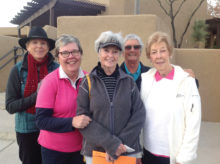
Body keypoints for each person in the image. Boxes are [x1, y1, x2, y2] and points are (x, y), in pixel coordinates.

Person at [76, 31, 146, 164]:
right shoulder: (87, 82)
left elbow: (139, 114)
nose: (110, 55)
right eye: (106, 50)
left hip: (125, 149)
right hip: (96, 152)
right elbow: (82, 119)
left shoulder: (129, 82)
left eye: (114, 51)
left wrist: (119, 145)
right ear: (98, 53)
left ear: (120, 55)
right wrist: (111, 144)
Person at [140, 31, 201, 164]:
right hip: (148, 153)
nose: (159, 56)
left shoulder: (186, 81)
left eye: (163, 50)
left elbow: (193, 122)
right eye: (154, 52)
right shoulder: (145, 80)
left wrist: (184, 157)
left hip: (173, 156)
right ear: (149, 56)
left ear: (170, 52)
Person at [5, 26, 59, 164]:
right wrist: (38, 96)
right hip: (27, 130)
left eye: (43, 43)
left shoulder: (57, 69)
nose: (39, 46)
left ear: (48, 47)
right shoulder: (17, 71)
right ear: (27, 46)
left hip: (51, 127)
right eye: (34, 42)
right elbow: (10, 106)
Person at [35, 34, 91, 164]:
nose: (71, 56)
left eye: (75, 52)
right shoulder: (50, 82)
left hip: (82, 149)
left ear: (81, 54)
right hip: (54, 152)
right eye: (65, 53)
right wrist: (71, 122)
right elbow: (41, 121)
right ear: (58, 57)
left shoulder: (90, 79)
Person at [120, 34, 199, 90]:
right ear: (122, 52)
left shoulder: (151, 74)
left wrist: (190, 79)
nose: (132, 50)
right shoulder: (116, 75)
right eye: (128, 47)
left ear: (140, 51)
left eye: (136, 47)